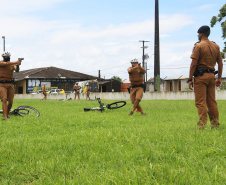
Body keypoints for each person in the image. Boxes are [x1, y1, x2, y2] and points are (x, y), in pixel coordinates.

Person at [188, 25, 223, 129]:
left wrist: (190, 79)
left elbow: (193, 64)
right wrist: (219, 78)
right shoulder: (215, 46)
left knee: (201, 102)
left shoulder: (198, 46)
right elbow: (220, 63)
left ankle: (202, 125)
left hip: (201, 77)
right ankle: (215, 124)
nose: (198, 35)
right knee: (212, 101)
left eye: (198, 34)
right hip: (212, 76)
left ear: (201, 34)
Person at [0, 51, 22, 120]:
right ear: (3, 57)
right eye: (6, 56)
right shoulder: (1, 63)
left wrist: (18, 65)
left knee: (11, 102)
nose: (8, 57)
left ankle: (7, 113)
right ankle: (5, 116)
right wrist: (16, 61)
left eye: (9, 56)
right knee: (4, 99)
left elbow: (17, 70)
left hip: (10, 84)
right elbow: (6, 63)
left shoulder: (12, 65)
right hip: (1, 84)